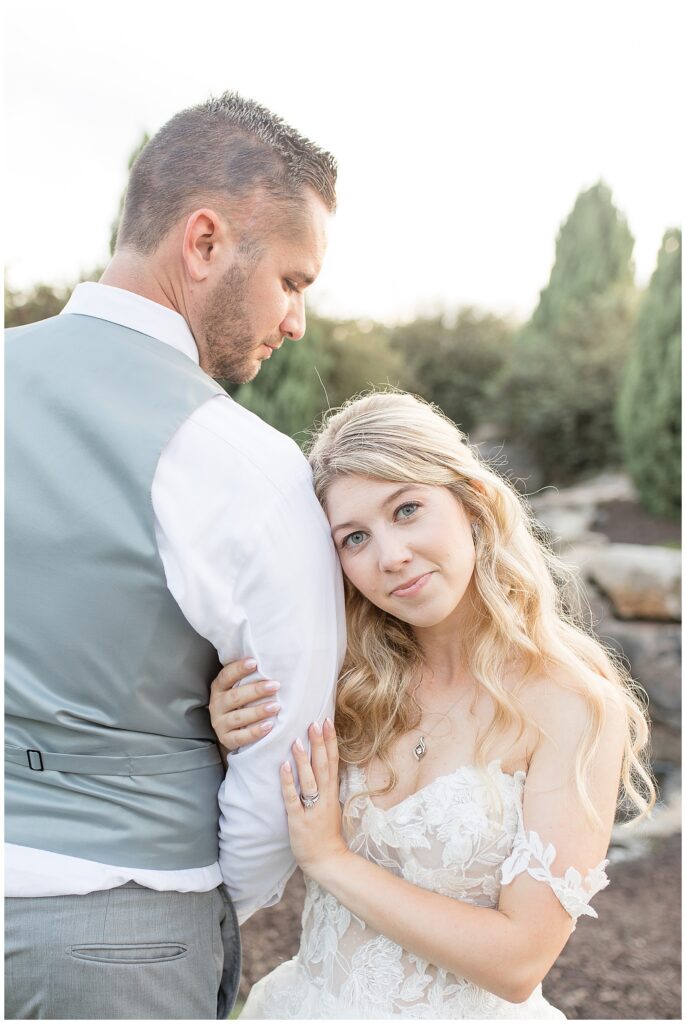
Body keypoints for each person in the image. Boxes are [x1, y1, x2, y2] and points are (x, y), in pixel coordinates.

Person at [4, 92, 346, 1020]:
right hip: (121, 936)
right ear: (204, 243)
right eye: (293, 280)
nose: (297, 321)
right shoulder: (239, 461)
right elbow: (292, 751)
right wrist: (213, 897)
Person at [211, 390, 655, 1020]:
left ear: (472, 502)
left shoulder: (572, 706)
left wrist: (332, 860)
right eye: (355, 537)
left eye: (408, 509)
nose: (390, 557)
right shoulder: (342, 679)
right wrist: (228, 727)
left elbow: (519, 962)